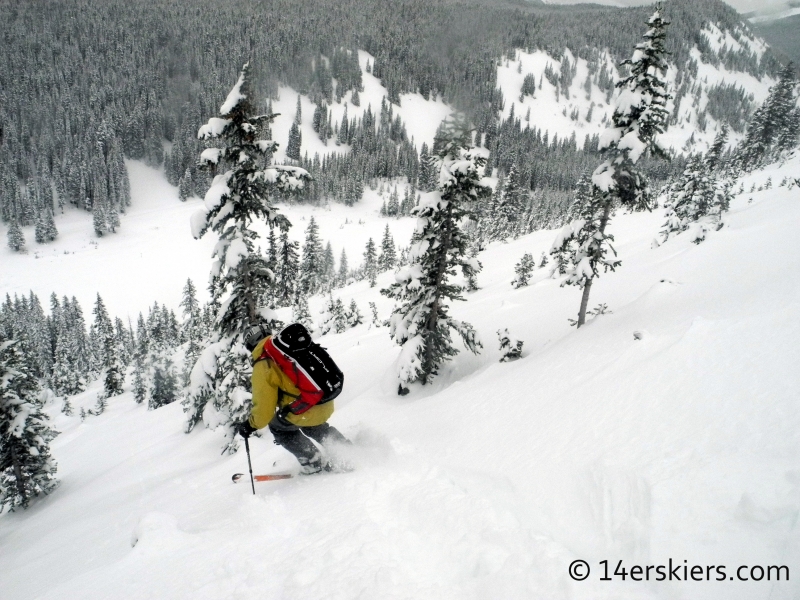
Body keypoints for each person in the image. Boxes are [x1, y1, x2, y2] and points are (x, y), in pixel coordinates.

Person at [237, 324, 349, 474]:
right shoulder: (287, 348)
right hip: (324, 399)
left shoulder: (264, 362)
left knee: (279, 427)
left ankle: (313, 462)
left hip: (307, 408)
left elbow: (264, 412)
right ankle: (347, 452)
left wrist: (250, 425)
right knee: (312, 425)